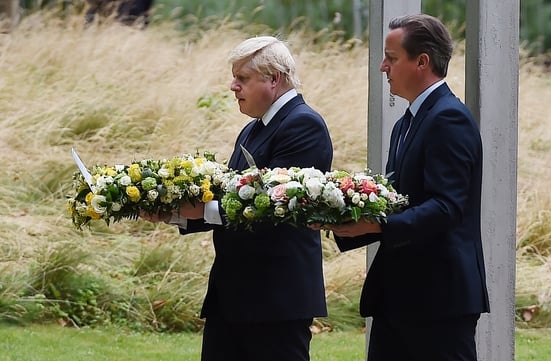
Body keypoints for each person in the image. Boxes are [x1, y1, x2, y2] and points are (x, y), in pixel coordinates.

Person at [143, 36, 333, 361]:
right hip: (233, 296)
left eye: (242, 78)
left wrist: (202, 209)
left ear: (274, 79)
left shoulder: (304, 125)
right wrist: (173, 212)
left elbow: (274, 206)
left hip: (275, 299)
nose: (233, 86)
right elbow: (231, 197)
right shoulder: (253, 129)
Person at [319, 14, 490, 361]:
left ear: (422, 61)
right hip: (400, 296)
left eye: (392, 58)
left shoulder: (449, 118)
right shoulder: (405, 124)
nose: (383, 67)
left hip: (439, 298)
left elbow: (447, 207)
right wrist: (339, 217)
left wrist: (379, 225)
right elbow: (401, 202)